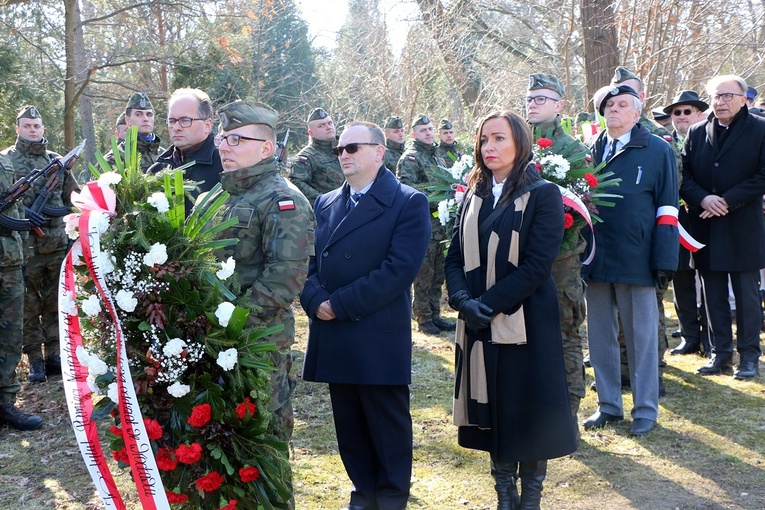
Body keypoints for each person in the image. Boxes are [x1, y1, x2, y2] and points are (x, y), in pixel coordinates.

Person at [445, 110, 577, 510]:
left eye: (499, 138)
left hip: (527, 320)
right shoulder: (474, 194)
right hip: (478, 322)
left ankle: (531, 497)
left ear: (520, 143)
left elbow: (537, 266)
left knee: (529, 408)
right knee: (493, 406)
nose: (490, 147)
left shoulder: (544, 195)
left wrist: (486, 304)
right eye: (484, 140)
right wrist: (463, 302)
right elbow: (453, 258)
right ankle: (505, 493)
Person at [301, 121, 431, 510]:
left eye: (353, 148)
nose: (344, 155)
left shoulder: (408, 201)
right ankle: (363, 492)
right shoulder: (325, 202)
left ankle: (391, 497)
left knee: (385, 422)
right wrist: (314, 299)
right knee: (349, 422)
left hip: (375, 331)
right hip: (333, 330)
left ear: (379, 152)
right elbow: (307, 263)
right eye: (341, 149)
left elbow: (399, 270)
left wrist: (338, 304)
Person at [214, 100, 315, 441]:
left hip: (259, 342)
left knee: (262, 443)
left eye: (236, 139)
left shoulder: (282, 199)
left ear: (267, 148)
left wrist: (232, 322)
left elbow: (284, 279)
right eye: (222, 138)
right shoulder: (218, 194)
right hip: (215, 338)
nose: (225, 146)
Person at [583, 85, 678, 436]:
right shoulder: (591, 151)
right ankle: (609, 404)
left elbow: (668, 208)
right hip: (596, 255)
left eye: (623, 105)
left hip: (637, 257)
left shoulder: (656, 149)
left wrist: (664, 260)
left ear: (637, 113)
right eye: (609, 105)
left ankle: (645, 410)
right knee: (599, 337)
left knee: (640, 337)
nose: (614, 110)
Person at [680, 75, 765, 380]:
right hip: (706, 227)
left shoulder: (760, 129)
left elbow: (762, 176)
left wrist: (726, 200)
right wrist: (703, 198)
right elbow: (684, 175)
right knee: (712, 294)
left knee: (746, 298)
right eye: (716, 97)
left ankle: (749, 357)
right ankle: (720, 355)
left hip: (742, 225)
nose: (720, 102)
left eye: (727, 96)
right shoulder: (697, 132)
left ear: (744, 99)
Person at [525, 73, 591, 423]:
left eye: (540, 99)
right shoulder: (514, 142)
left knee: (564, 332)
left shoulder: (574, 150)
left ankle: (567, 415)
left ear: (558, 105)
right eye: (530, 99)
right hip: (518, 261)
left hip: (559, 261)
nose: (533, 105)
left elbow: (583, 209)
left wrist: (543, 240)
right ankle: (534, 412)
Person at [2, 105, 79, 383]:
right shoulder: (6, 161)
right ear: (17, 129)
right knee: (28, 306)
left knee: (56, 302)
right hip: (23, 249)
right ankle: (35, 360)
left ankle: (55, 355)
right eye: (27, 126)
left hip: (57, 245)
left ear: (43, 128)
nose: (33, 130)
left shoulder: (57, 162)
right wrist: (26, 217)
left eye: (37, 126)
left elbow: (74, 198)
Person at [662, 90, 712, 357]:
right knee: (681, 277)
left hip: (705, 217)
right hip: (676, 219)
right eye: (676, 112)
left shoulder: (710, 140)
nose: (681, 116)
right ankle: (689, 335)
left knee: (707, 279)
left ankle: (711, 336)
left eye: (687, 111)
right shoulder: (664, 142)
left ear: (699, 114)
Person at [396, 114, 455, 335]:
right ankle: (423, 317)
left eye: (430, 129)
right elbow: (406, 190)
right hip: (423, 226)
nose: (429, 133)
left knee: (438, 273)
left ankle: (435, 314)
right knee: (424, 274)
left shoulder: (438, 156)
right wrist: (437, 195)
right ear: (414, 135)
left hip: (441, 225)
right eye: (423, 130)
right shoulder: (411, 158)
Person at [0, 152, 44, 430]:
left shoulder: (4, 162)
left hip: (10, 263)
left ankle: (5, 404)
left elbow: (14, 211)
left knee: (10, 337)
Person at [148, 88, 221, 207]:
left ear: (207, 125)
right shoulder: (157, 171)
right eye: (172, 121)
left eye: (185, 120)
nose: (176, 127)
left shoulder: (225, 166)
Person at [286, 107, 342, 205]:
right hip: (328, 213)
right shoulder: (306, 158)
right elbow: (297, 184)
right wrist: (325, 201)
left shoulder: (347, 148)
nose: (328, 127)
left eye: (330, 123)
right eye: (321, 126)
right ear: (311, 133)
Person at [107, 92, 164, 171]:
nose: (146, 119)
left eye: (149, 114)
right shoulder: (117, 157)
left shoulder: (164, 155)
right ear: (128, 120)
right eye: (139, 115)